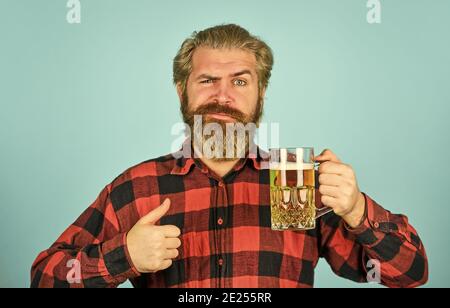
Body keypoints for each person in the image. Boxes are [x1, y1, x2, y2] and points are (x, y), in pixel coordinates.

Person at [31, 24, 428, 288]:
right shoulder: (136, 188)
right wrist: (124, 256)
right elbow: (45, 277)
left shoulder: (297, 180)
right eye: (207, 80)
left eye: (240, 80)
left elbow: (410, 273)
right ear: (181, 91)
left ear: (261, 94)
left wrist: (357, 210)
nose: (223, 96)